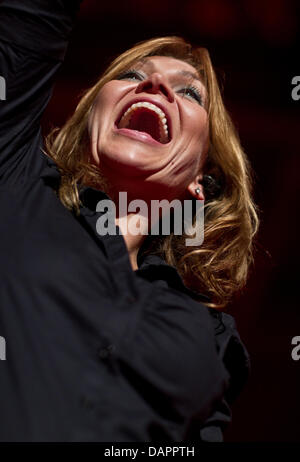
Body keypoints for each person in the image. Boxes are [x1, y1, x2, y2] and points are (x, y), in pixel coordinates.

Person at [0, 0, 259, 442]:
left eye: (190, 92)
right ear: (87, 127)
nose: (155, 83)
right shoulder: (14, 182)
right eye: (133, 75)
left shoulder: (210, 333)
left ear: (203, 178)